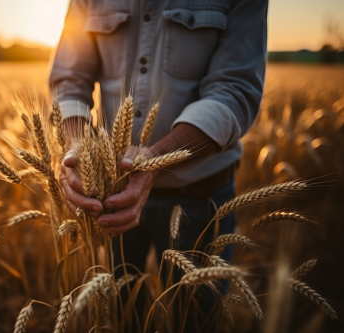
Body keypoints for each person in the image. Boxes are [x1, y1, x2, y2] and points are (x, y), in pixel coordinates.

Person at [49, 0, 267, 331]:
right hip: (112, 194)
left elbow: (234, 91)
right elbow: (69, 79)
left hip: (200, 195)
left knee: (197, 320)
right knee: (124, 316)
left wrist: (158, 159)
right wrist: (78, 143)